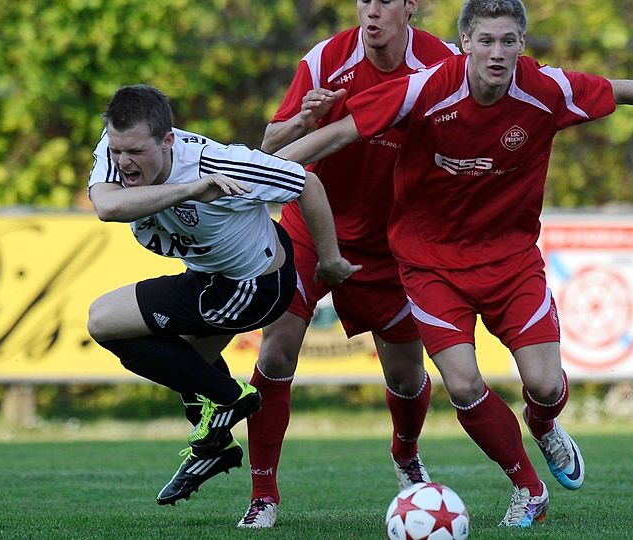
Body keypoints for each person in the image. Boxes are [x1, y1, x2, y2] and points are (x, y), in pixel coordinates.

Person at [276, 0, 633, 527]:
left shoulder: (545, 89)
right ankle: (528, 488)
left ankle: (544, 424)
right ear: (465, 44)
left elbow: (619, 89)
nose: (497, 52)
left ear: (521, 44)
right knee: (463, 384)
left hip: (510, 261)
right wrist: (261, 165)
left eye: (508, 41)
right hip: (430, 263)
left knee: (546, 385)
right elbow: (340, 133)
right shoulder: (427, 88)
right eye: (486, 41)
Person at [236, 0, 461, 529]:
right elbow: (269, 143)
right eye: (364, 0)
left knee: (405, 375)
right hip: (309, 224)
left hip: (389, 242)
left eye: (385, 0)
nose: (371, 11)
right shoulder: (325, 59)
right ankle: (263, 494)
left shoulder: (445, 63)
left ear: (410, 6)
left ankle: (406, 453)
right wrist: (303, 118)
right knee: (276, 350)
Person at [85, 84, 359, 505]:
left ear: (168, 140)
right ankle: (214, 449)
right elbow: (108, 207)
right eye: (118, 150)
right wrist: (191, 191)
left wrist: (332, 259)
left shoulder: (220, 163)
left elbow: (307, 183)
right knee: (186, 367)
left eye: (136, 152)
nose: (123, 162)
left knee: (105, 321)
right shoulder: (120, 150)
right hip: (210, 277)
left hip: (253, 286)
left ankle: (232, 397)